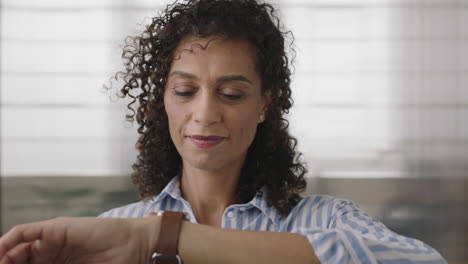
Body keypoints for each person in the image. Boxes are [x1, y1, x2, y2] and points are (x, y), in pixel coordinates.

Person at [0, 0, 447, 263]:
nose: (205, 113)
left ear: (264, 104)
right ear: (163, 100)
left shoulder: (325, 220)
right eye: (184, 90)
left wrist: (164, 240)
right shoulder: (112, 234)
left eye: (231, 93)